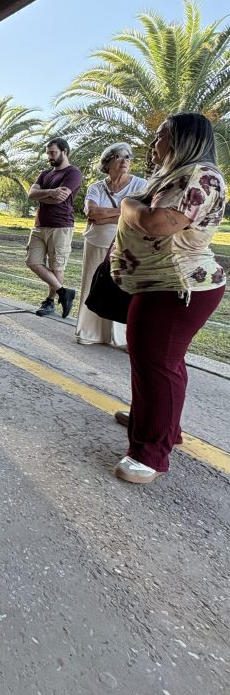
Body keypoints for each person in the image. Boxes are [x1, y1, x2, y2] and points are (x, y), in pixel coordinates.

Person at [110, 113, 226, 484]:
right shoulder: (183, 173)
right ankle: (158, 420)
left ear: (180, 140)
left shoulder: (199, 175)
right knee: (163, 363)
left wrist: (128, 204)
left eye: (160, 136)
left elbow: (158, 223)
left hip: (177, 286)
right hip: (165, 284)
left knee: (157, 364)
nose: (154, 143)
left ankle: (150, 453)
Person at [75, 144, 147, 347]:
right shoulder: (96, 187)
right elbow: (92, 214)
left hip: (126, 244)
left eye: (128, 157)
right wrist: (124, 212)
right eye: (118, 156)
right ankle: (91, 332)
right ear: (107, 162)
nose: (125, 160)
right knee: (92, 283)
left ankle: (123, 338)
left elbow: (142, 215)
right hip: (96, 241)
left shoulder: (141, 185)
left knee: (123, 288)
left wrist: (107, 214)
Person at [26, 138, 82, 317]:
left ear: (64, 151)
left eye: (53, 152)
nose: (49, 156)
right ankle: (64, 292)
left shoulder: (73, 173)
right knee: (32, 262)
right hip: (40, 225)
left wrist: (42, 195)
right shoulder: (45, 174)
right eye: (48, 153)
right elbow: (31, 194)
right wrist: (50, 192)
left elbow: (61, 198)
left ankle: (50, 302)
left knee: (57, 267)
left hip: (61, 226)